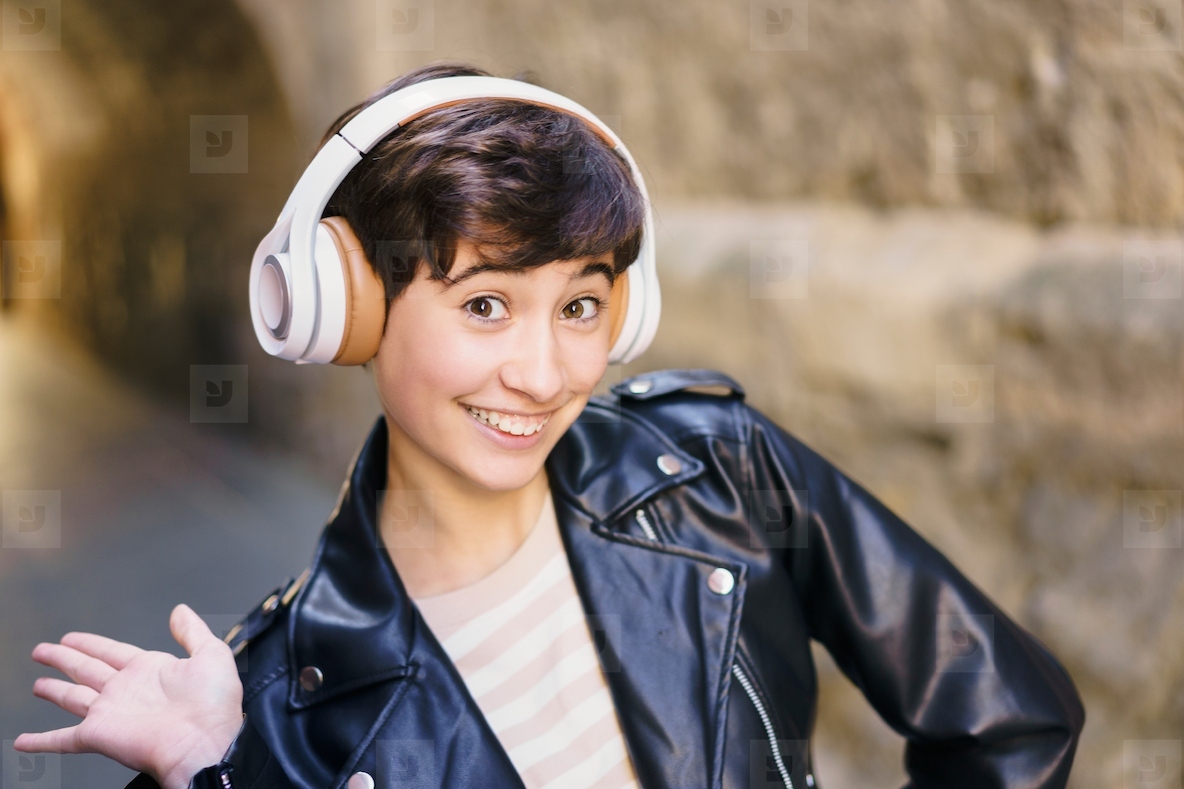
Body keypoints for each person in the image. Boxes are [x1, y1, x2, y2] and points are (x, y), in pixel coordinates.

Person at [14, 62, 1085, 789]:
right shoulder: (277, 697)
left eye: (579, 306)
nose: (540, 375)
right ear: (347, 310)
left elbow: (1009, 717)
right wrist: (215, 771)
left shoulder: (716, 469)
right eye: (485, 304)